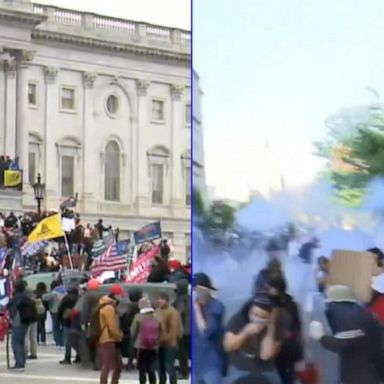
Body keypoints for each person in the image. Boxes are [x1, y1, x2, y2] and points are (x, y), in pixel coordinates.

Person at [309, 285, 381, 384]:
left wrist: (321, 337)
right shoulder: (359, 313)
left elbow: (341, 343)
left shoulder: (351, 317)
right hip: (362, 368)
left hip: (361, 374)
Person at [223, 293, 282, 384]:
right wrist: (245, 333)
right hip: (240, 368)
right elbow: (228, 346)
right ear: (250, 311)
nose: (257, 319)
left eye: (262, 317)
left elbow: (265, 355)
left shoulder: (275, 326)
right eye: (255, 314)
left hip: (266, 370)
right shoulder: (238, 319)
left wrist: (270, 326)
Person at [268, 276, 303, 384]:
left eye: (271, 287)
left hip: (284, 344)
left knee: (283, 371)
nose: (269, 289)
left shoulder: (274, 303)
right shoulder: (290, 303)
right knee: (287, 372)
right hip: (288, 343)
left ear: (277, 288)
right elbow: (297, 323)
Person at [193, 273, 225, 384]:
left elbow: (207, 332)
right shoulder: (191, 307)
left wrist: (197, 309)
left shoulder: (216, 306)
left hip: (211, 362)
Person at [131, 297, 162, 384]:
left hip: (141, 346)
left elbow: (133, 331)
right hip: (154, 346)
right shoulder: (156, 316)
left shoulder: (138, 317)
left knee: (142, 368)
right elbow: (161, 330)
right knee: (151, 368)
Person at [98, 284, 124, 384]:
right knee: (108, 365)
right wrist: (119, 335)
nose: (121, 297)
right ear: (115, 295)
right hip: (109, 339)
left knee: (116, 365)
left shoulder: (108, 305)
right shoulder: (109, 308)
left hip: (109, 338)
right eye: (120, 295)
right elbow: (112, 326)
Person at [8, 280, 36, 371]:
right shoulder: (27, 297)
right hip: (26, 321)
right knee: (21, 341)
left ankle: (19, 363)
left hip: (18, 321)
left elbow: (10, 307)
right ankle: (21, 362)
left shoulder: (16, 297)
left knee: (16, 342)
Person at [155, 291, 180, 384]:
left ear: (167, 300)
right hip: (158, 344)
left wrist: (165, 339)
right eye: (159, 299)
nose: (159, 301)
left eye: (162, 299)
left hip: (170, 345)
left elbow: (173, 331)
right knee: (160, 367)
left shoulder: (172, 312)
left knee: (169, 367)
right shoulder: (157, 311)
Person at [58, 285, 80, 365]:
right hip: (77, 321)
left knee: (68, 340)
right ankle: (79, 356)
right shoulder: (79, 298)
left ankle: (67, 357)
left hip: (67, 321)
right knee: (77, 339)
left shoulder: (66, 298)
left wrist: (60, 318)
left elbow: (61, 309)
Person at [174, 279, 190, 380]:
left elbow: (179, 314)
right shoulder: (189, 298)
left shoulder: (180, 300)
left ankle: (183, 372)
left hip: (183, 330)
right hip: (190, 329)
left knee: (182, 353)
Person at [43, 280, 65, 347]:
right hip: (63, 311)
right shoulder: (65, 291)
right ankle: (63, 342)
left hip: (55, 311)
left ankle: (58, 342)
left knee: (56, 327)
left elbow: (44, 297)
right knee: (63, 327)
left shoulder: (53, 293)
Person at [24, 288, 39, 360]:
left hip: (27, 320)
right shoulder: (36, 301)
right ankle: (34, 353)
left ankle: (25, 353)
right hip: (35, 319)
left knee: (26, 337)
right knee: (33, 337)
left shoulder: (24, 301)